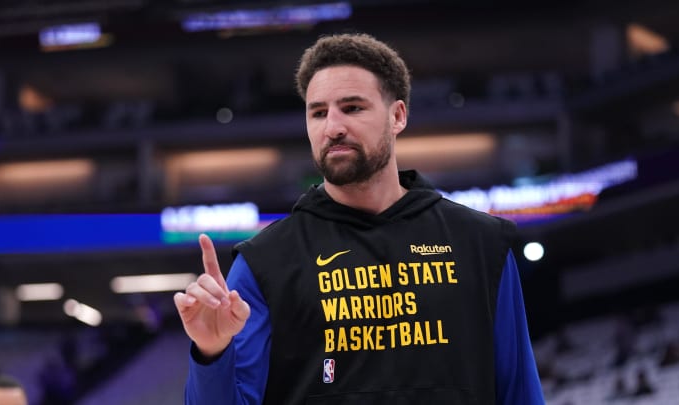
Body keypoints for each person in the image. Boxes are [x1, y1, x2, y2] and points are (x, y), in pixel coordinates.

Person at [175, 32, 544, 404]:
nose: (332, 127)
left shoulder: (480, 244)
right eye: (318, 112)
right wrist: (212, 353)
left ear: (397, 115)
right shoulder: (264, 262)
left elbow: (520, 393)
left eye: (352, 108)